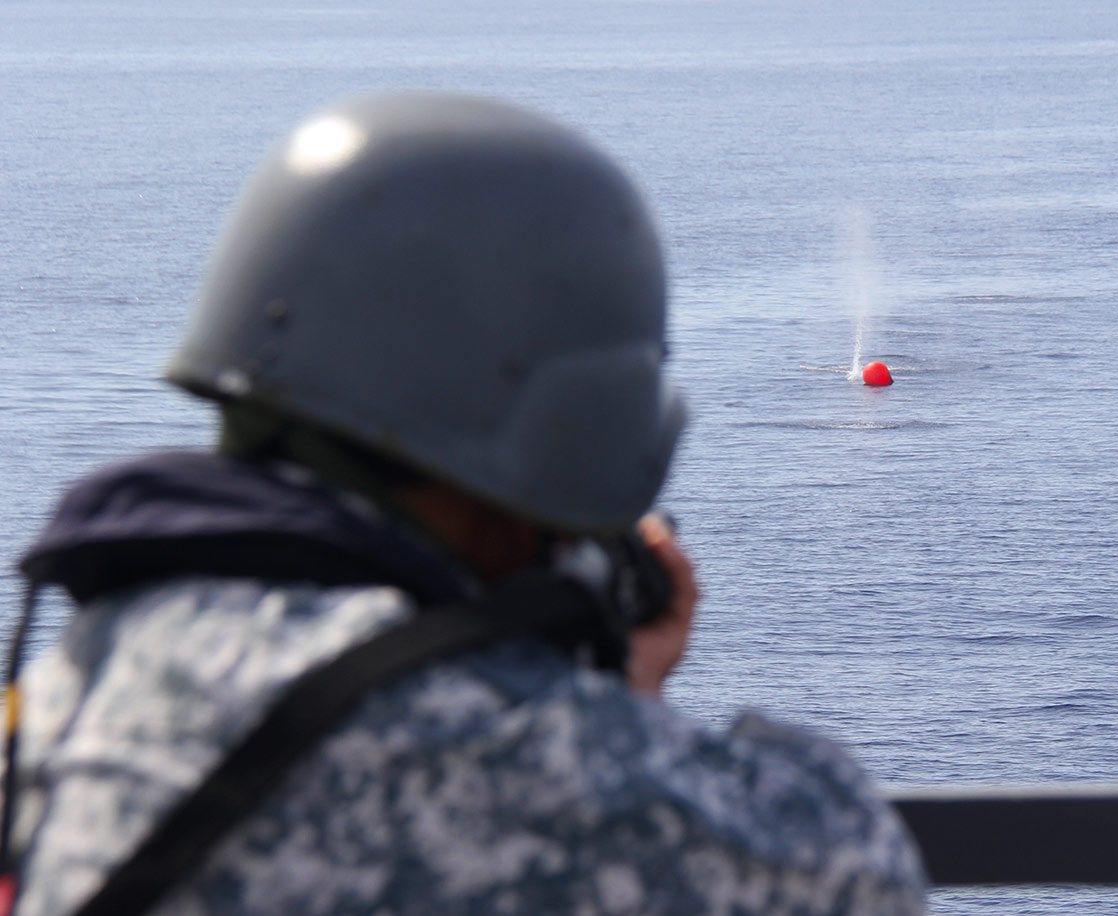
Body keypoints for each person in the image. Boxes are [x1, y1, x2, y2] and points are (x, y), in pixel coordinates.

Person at [3, 93, 926, 916]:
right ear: (550, 445)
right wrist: (625, 701)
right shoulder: (503, 750)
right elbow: (853, 877)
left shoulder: (66, 688)